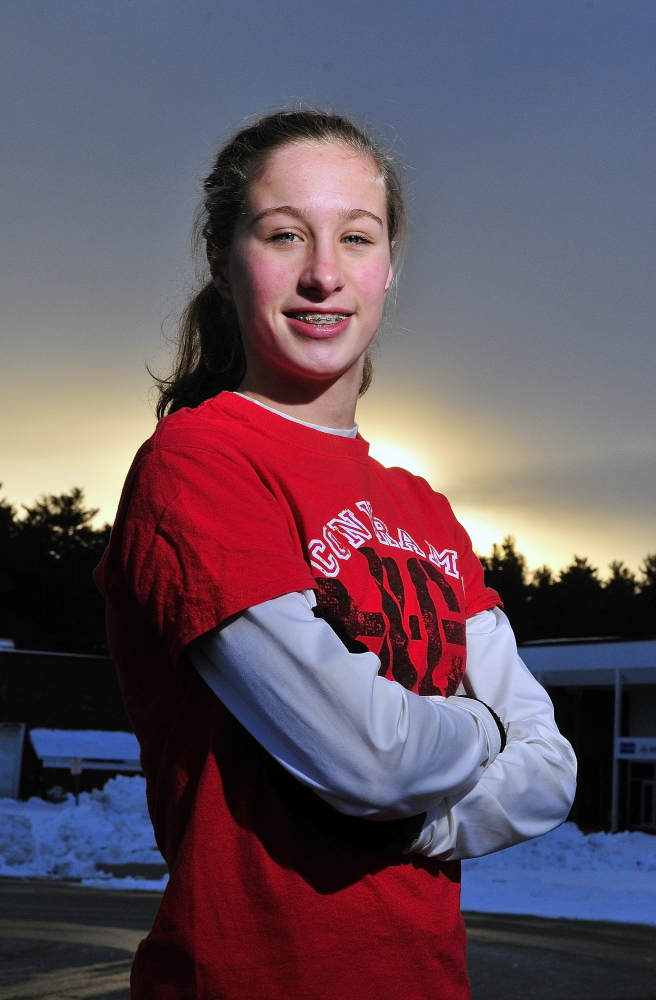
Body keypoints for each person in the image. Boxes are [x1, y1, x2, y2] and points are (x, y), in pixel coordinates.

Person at [95, 109, 576, 1000]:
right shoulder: (198, 463)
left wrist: (419, 826)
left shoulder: (423, 508)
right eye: (285, 235)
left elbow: (551, 771)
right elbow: (368, 758)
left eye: (356, 237)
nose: (323, 274)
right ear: (221, 257)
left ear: (389, 268)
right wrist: (483, 727)